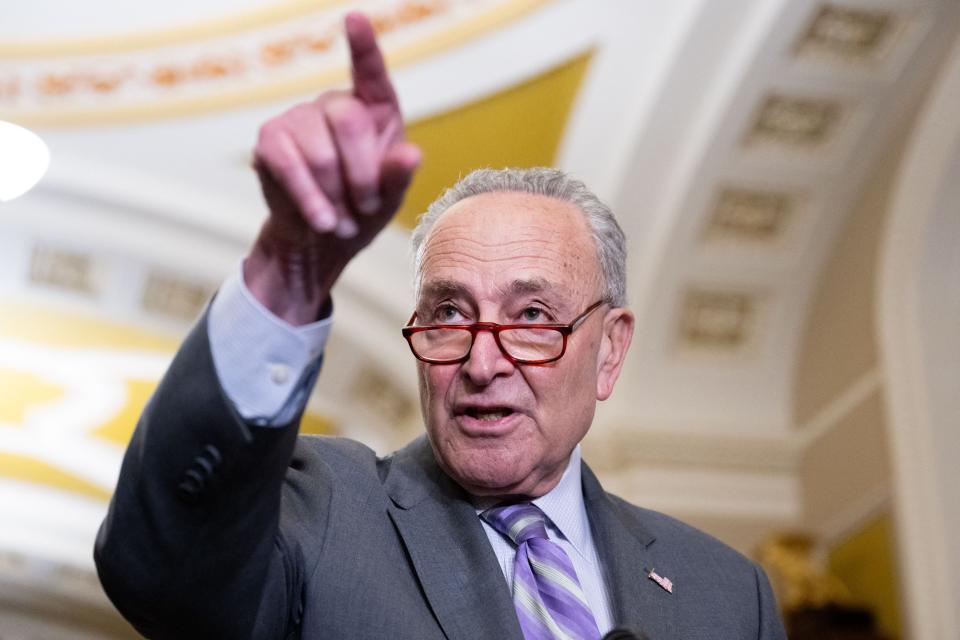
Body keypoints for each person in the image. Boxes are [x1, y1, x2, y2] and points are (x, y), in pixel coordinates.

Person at [94, 12, 786, 640]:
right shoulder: (324, 511)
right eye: (450, 313)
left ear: (610, 351)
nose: (483, 364)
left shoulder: (727, 594)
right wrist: (287, 269)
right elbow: (162, 573)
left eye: (533, 316)